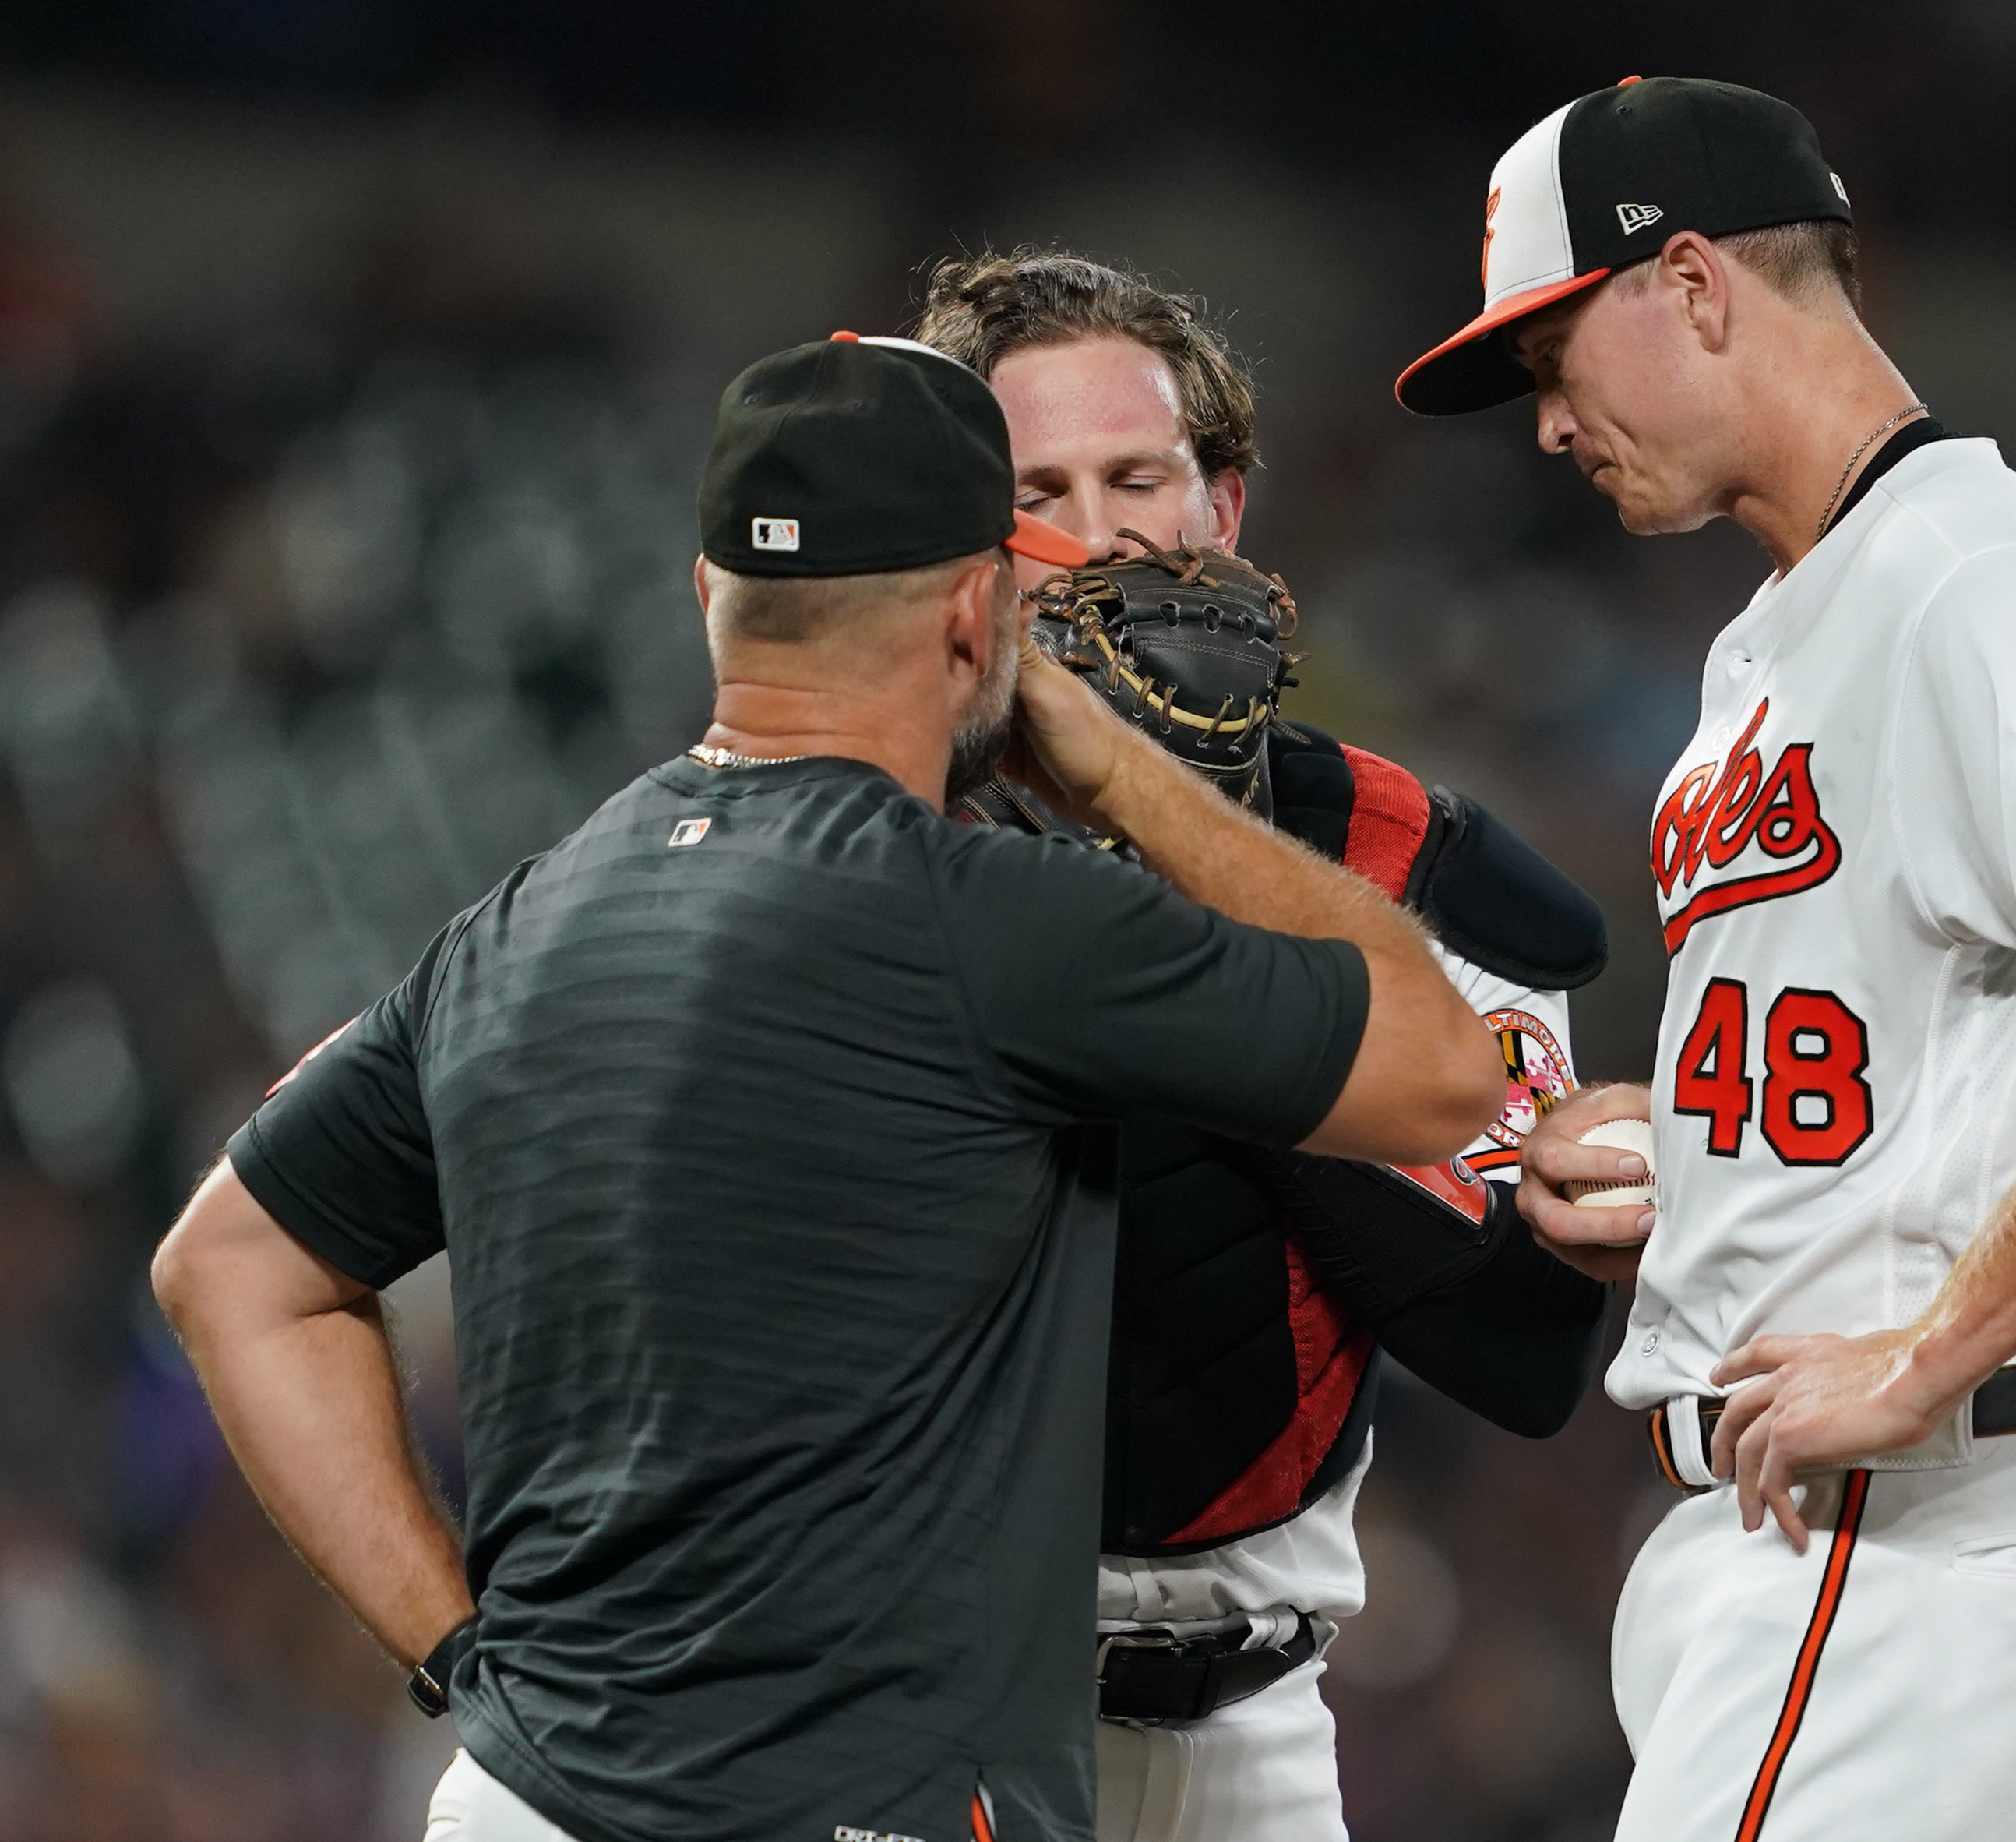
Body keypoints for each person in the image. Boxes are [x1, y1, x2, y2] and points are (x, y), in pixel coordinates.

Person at [147, 332, 1506, 1842]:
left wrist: (464, 1655)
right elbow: (1440, 1068)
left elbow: (230, 1268)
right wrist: (1123, 776)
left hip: (525, 1800)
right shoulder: (991, 923)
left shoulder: (517, 929)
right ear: (978, 609)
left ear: (709, 596)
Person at [1398, 77, 2016, 1842]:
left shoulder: (1961, 569)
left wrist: (1925, 1356)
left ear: (1687, 286)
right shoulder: (1787, 631)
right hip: (1856, 1547)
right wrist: (1711, 1164)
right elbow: (1934, 1054)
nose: (1545, 425)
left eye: (1551, 353)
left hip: (1912, 1539)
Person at [911, 250, 1613, 1842]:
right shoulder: (867, 837)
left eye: (1137, 477)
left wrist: (1180, 888)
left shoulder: (1401, 853)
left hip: (1258, 1738)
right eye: (1038, 488)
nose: (1095, 534)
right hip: (928, 1704)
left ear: (1221, 507)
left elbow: (1514, 1350)